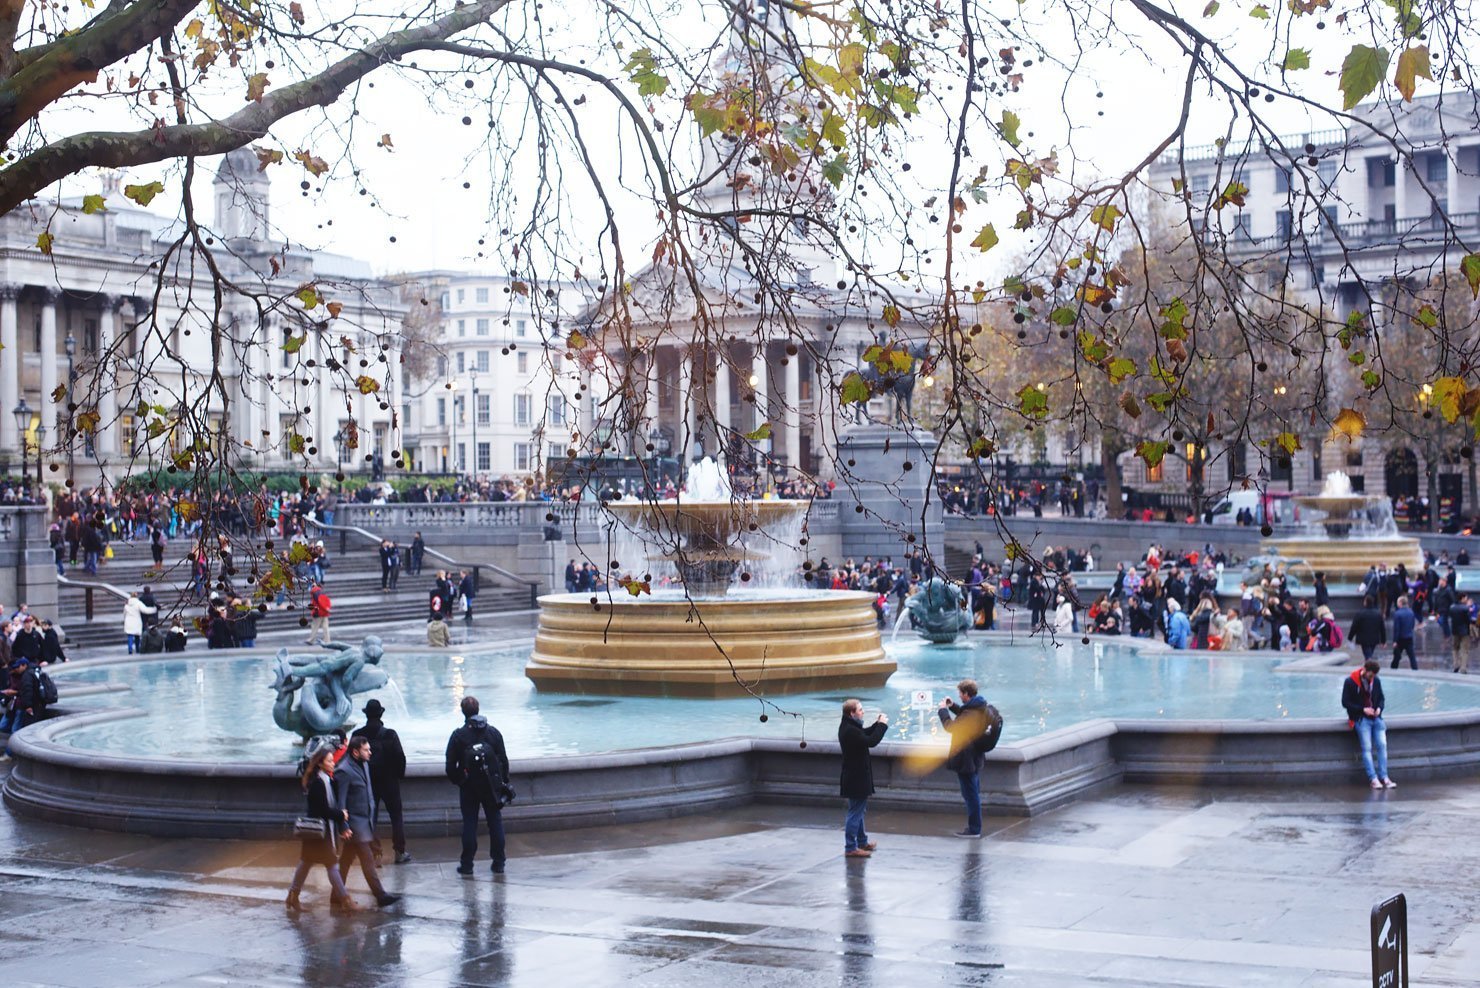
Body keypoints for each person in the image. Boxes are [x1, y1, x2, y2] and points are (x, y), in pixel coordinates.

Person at [285, 738, 356, 913]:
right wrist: (341, 815)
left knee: (306, 863)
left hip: (320, 833)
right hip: (319, 833)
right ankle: (345, 901)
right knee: (332, 865)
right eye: (330, 761)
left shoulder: (327, 780)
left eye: (333, 760)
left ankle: (292, 896)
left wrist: (342, 823)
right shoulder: (318, 783)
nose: (333, 763)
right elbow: (322, 810)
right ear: (320, 763)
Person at [445, 695, 511, 875]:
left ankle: (467, 864)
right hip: (491, 786)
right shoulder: (493, 733)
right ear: (478, 709)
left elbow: (450, 766)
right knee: (495, 823)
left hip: (469, 788)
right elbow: (503, 760)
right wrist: (502, 783)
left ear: (462, 711)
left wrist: (461, 781)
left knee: (469, 824)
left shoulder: (458, 735)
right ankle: (499, 863)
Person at [332, 735, 400, 907]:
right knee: (367, 860)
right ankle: (380, 896)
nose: (370, 752)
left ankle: (335, 896)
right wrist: (344, 825)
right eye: (366, 750)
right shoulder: (344, 770)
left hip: (363, 822)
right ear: (355, 752)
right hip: (355, 825)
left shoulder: (363, 764)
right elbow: (341, 802)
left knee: (346, 861)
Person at [352, 699, 411, 865]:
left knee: (371, 817)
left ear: (366, 714)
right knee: (396, 816)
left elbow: (352, 759)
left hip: (367, 781)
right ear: (381, 714)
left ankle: (375, 853)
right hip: (389, 781)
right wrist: (399, 775)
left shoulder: (357, 735)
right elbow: (400, 757)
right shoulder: (390, 734)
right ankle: (399, 851)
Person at [937, 679, 989, 838]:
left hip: (966, 760)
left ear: (966, 694)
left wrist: (943, 711)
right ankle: (975, 827)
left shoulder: (970, 713)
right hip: (975, 757)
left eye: (960, 693)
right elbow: (964, 716)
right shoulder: (979, 707)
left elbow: (951, 727)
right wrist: (952, 706)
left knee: (971, 795)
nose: (959, 696)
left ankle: (974, 829)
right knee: (973, 793)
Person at [837, 698, 888, 859]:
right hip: (856, 778)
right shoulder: (850, 730)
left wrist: (877, 724)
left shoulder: (849, 726)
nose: (862, 711)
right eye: (860, 710)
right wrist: (882, 726)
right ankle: (851, 847)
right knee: (855, 812)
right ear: (852, 713)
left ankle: (861, 841)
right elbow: (871, 741)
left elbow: (864, 733)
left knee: (858, 810)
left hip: (854, 776)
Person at [1341, 659, 1395, 790]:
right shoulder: (1350, 681)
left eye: (1374, 676)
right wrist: (1362, 709)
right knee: (1367, 748)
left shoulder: (1375, 681)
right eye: (1370, 675)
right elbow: (1345, 702)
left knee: (1382, 746)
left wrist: (1379, 709)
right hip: (1361, 719)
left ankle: (1384, 777)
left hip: (1376, 718)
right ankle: (1373, 778)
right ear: (1364, 670)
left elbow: (1381, 698)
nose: (1372, 678)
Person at [1348, 595, 1386, 661]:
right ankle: (1369, 665)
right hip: (1374, 638)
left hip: (1363, 639)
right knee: (1369, 653)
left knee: (1367, 654)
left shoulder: (1360, 614)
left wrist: (1350, 638)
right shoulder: (1378, 614)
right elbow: (1382, 628)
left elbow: (1354, 627)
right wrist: (1383, 641)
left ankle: (1369, 666)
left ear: (1365, 602)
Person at [1390, 595, 1417, 670]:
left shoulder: (1397, 614)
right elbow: (1412, 624)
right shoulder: (1411, 612)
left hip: (1400, 639)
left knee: (1396, 657)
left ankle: (1393, 669)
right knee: (1412, 657)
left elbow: (1396, 629)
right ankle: (1415, 669)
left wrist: (1395, 641)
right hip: (1409, 637)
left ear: (1400, 603)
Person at [1449, 593, 1474, 673]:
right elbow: (1468, 620)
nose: (1466, 600)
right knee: (1464, 650)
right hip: (1464, 632)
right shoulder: (1465, 609)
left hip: (1455, 631)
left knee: (1455, 648)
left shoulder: (1452, 607)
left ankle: (1456, 664)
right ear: (1462, 598)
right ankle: (1463, 668)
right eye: (1466, 598)